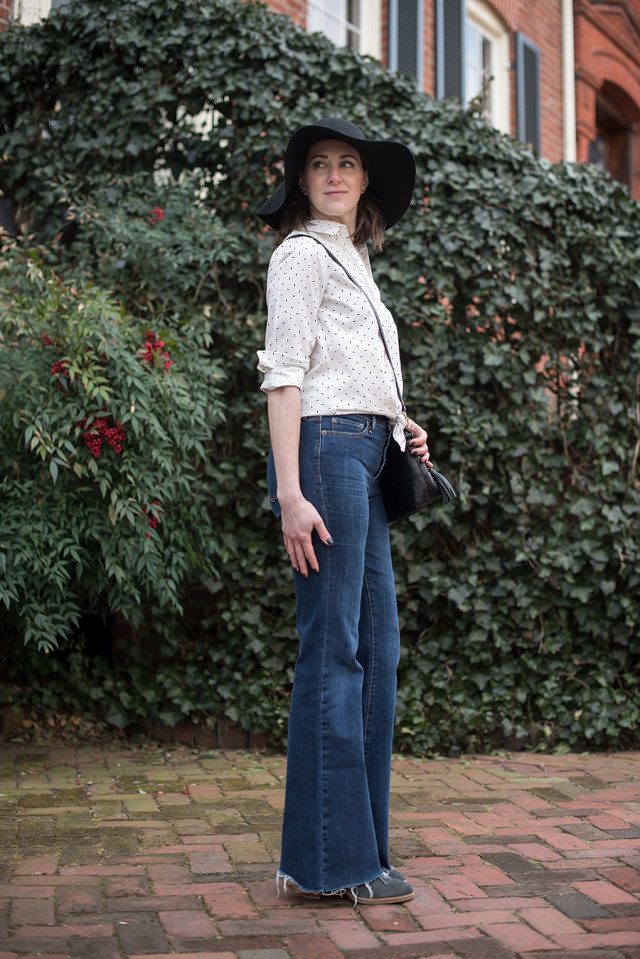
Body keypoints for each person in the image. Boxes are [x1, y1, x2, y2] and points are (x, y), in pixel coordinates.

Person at [256, 117, 432, 905]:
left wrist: (399, 422)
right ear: (302, 181)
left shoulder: (353, 259)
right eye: (319, 164)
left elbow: (351, 368)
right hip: (321, 455)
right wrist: (290, 492)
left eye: (348, 164)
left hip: (362, 449)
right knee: (335, 650)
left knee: (378, 654)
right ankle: (329, 862)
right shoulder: (298, 254)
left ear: (365, 185)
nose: (333, 173)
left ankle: (360, 854)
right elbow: (286, 376)